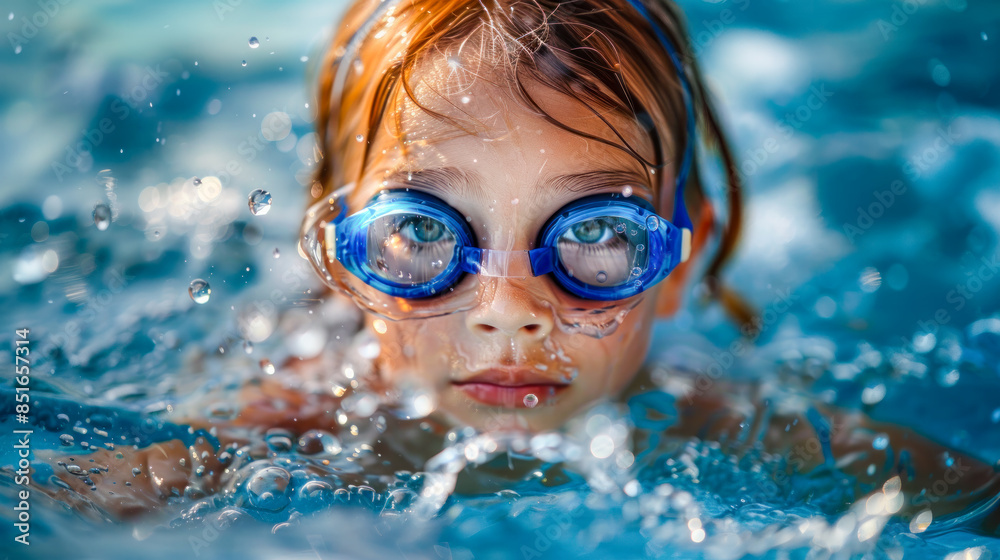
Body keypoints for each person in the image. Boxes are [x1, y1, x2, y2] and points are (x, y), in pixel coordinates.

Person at [33, 0, 999, 535]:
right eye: (421, 234)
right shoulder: (285, 429)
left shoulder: (718, 428)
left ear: (678, 258)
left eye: (597, 237)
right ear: (339, 254)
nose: (508, 312)